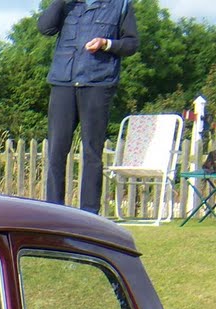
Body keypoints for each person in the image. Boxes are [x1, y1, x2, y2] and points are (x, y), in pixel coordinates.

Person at [39, 0, 140, 212]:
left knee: (92, 152)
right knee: (57, 151)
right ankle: (53, 212)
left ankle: (89, 214)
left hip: (97, 83)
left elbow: (131, 44)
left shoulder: (120, 5)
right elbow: (45, 28)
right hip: (62, 82)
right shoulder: (68, 6)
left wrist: (106, 44)